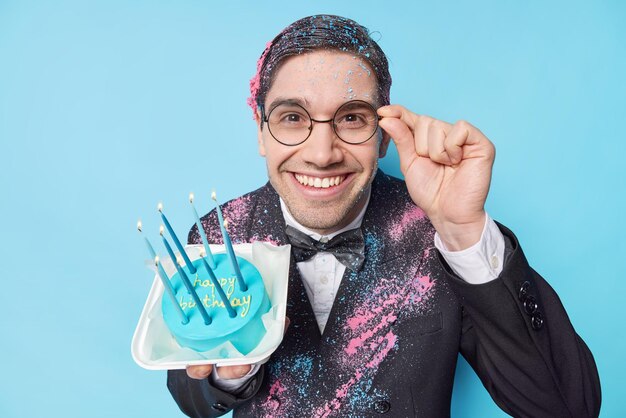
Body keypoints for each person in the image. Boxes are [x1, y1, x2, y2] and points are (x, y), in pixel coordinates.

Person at [167, 15, 601, 417]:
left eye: (352, 118)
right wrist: (232, 372)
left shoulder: (438, 232)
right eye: (293, 117)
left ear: (384, 137)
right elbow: (193, 396)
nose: (322, 154)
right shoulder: (218, 235)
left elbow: (567, 407)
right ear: (261, 131)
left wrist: (463, 232)